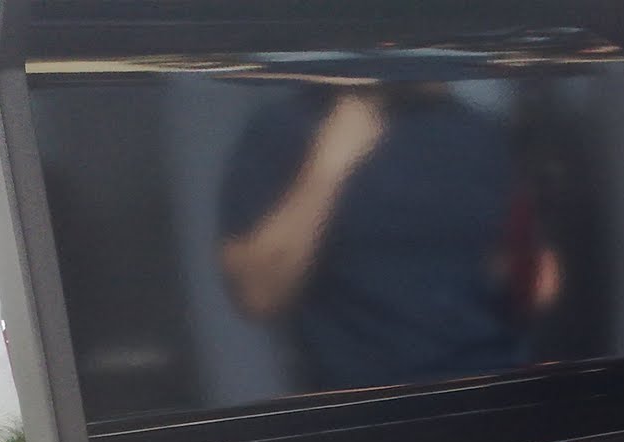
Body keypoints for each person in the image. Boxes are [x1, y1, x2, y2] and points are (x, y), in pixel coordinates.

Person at [219, 81, 560, 393]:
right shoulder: (286, 128)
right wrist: (329, 165)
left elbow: (520, 278)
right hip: (370, 410)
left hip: (494, 394)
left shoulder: (478, 132)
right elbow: (258, 292)